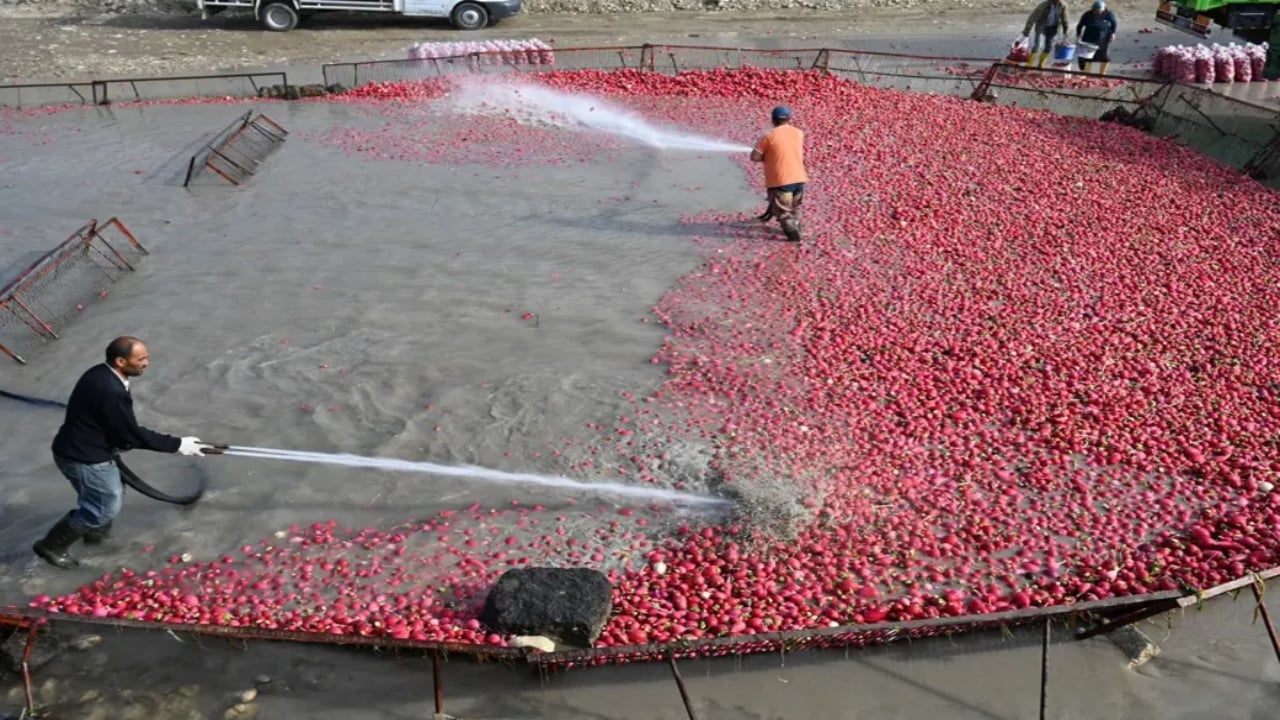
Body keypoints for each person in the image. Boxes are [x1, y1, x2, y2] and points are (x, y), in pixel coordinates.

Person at [33, 336, 214, 569]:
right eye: (141, 359)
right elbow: (130, 434)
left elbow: (118, 430)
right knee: (104, 505)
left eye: (146, 357)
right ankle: (51, 546)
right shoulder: (110, 390)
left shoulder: (101, 373)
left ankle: (94, 536)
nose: (146, 363)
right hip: (84, 458)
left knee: (106, 496)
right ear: (120, 361)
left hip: (82, 448)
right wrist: (178, 444)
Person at [750, 105, 809, 243]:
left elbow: (754, 157)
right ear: (789, 119)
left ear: (773, 120)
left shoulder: (768, 136)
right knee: (795, 207)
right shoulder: (798, 133)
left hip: (780, 180)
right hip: (799, 177)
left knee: (783, 212)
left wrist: (767, 156)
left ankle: (794, 238)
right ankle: (797, 227)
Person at [1021, 0, 1070, 69]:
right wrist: (1027, 30)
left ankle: (1041, 64)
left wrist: (1066, 34)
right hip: (1041, 27)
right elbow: (1032, 17)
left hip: (1053, 28)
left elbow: (1065, 20)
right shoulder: (1044, 5)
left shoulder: (1063, 6)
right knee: (1037, 46)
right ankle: (1029, 65)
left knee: (1049, 47)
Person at [1077, 0, 1118, 74]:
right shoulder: (1087, 14)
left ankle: (1102, 74)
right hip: (1088, 38)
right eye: (1094, 10)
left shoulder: (1109, 14)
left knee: (1105, 57)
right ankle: (1087, 74)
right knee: (1087, 57)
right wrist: (1078, 35)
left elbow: (1114, 24)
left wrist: (1113, 33)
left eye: (1098, 11)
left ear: (1103, 9)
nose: (1096, 12)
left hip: (1103, 38)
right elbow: (1080, 26)